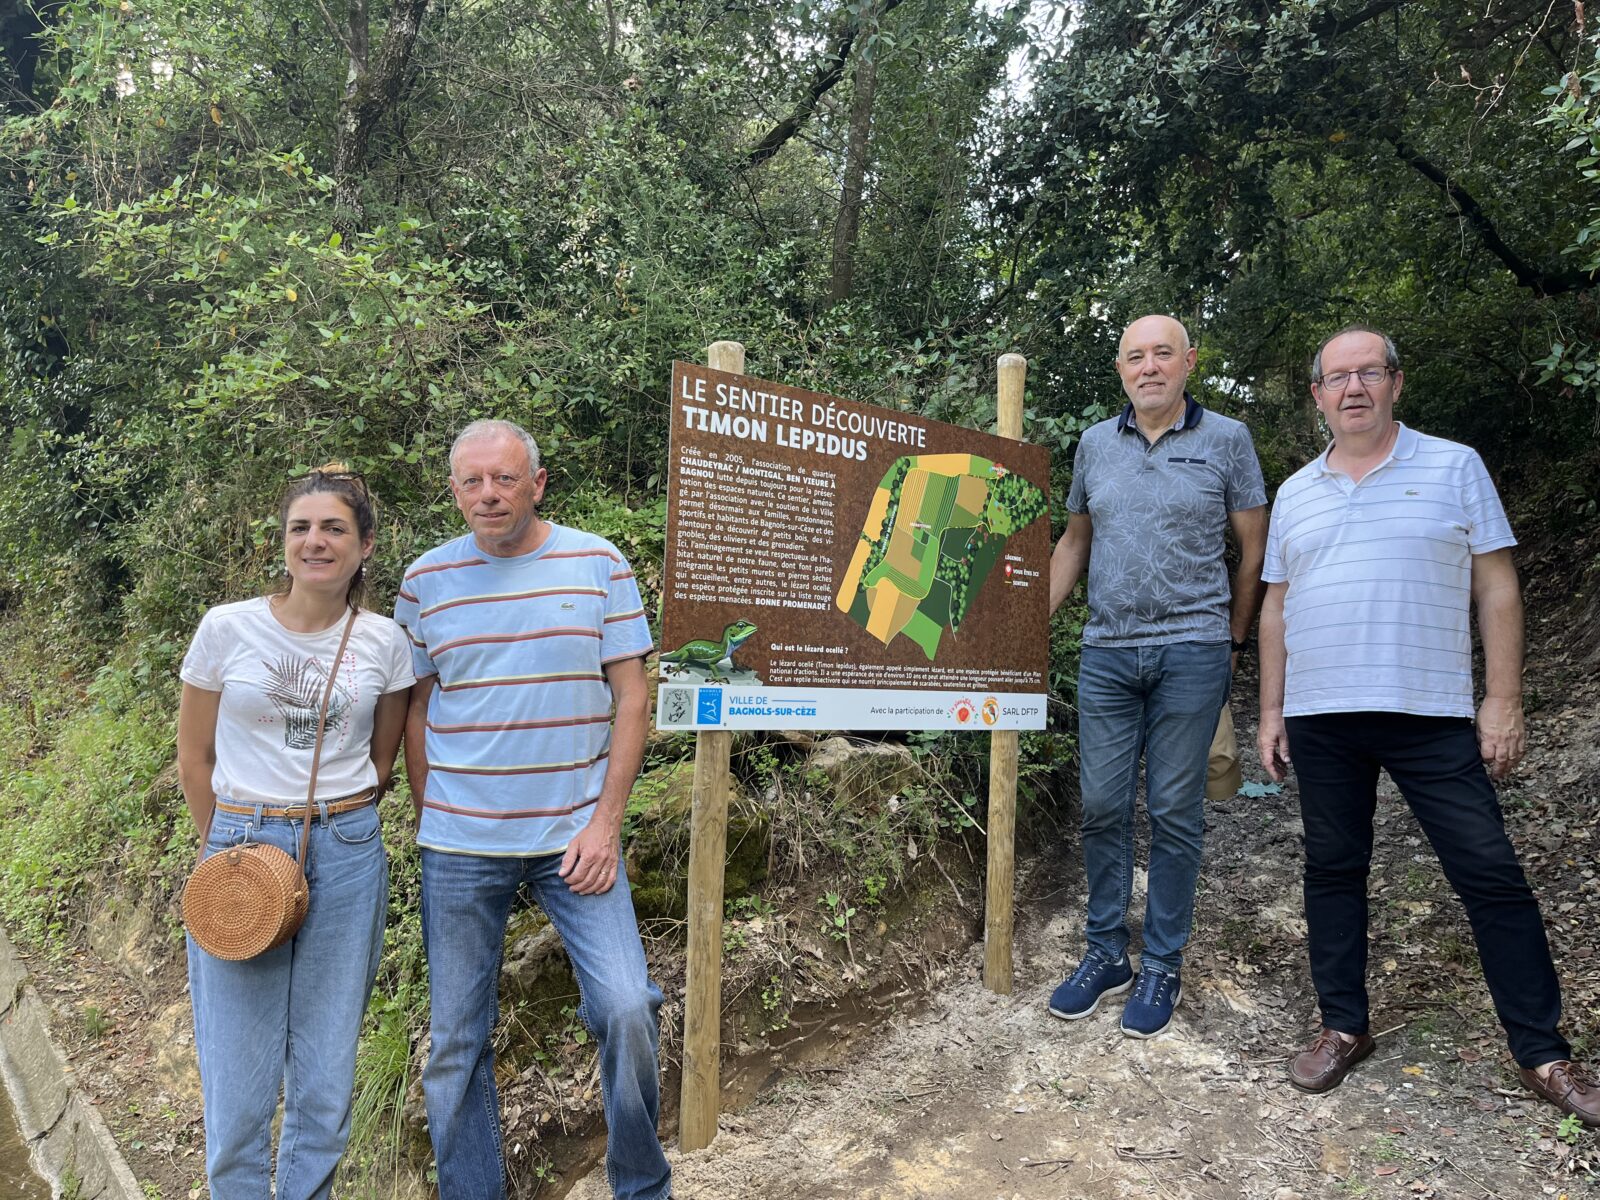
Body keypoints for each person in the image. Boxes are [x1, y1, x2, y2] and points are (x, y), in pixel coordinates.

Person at [1257, 325, 1598, 1125]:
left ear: (1396, 382)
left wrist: (1503, 699)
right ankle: (1343, 1025)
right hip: (1321, 713)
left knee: (1490, 875)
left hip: (1431, 710)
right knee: (1333, 873)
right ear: (1316, 396)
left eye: (1367, 372)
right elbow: (1275, 606)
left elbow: (1497, 588)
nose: (1353, 389)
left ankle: (1543, 1052)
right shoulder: (1297, 490)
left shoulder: (1454, 466)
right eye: (1336, 378)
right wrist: (1271, 709)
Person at [394, 420, 670, 1200]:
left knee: (625, 1008)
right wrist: (433, 816)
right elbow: (415, 711)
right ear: (454, 491)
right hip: (459, 846)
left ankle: (642, 1186)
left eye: (505, 479)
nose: (489, 494)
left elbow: (632, 697)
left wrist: (606, 824)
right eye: (473, 482)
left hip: (575, 839)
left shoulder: (598, 563)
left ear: (538, 484)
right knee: (455, 1041)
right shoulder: (423, 583)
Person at [176, 467, 416, 1199]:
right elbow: (195, 754)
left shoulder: (385, 642)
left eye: (334, 528)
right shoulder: (227, 628)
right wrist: (229, 843)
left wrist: (327, 824)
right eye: (301, 528)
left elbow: (383, 763)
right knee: (239, 1072)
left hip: (345, 852)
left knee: (325, 1071)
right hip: (240, 845)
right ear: (282, 542)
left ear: (365, 544)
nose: (316, 541)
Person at [1046, 314, 1268, 1037]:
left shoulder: (1227, 440)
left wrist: (1233, 640)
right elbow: (1075, 541)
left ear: (1188, 362)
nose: (1149, 368)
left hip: (1192, 650)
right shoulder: (1092, 446)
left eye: (1162, 354)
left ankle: (1163, 961)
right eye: (1135, 357)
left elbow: (1254, 545)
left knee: (1175, 811)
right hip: (1107, 652)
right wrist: (1025, 634)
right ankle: (1107, 952)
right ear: (1120, 369)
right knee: (1104, 806)